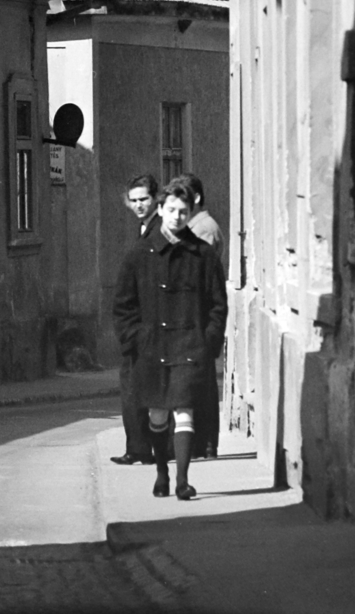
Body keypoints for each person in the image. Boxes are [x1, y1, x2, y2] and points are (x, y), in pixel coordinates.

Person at [113, 177, 227, 501]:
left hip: (189, 345)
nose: (178, 216)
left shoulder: (203, 255)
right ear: (161, 209)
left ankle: (182, 480)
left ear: (191, 212)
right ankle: (162, 473)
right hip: (152, 347)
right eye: (172, 210)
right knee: (158, 415)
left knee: (184, 411)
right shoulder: (139, 254)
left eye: (184, 211)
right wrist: (134, 341)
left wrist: (208, 343)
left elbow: (217, 305)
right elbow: (123, 305)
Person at [109, 174, 160, 466]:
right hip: (138, 326)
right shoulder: (145, 228)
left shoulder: (157, 231)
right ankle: (140, 447)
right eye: (134, 201)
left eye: (144, 199)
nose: (139, 205)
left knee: (137, 389)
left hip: (144, 327)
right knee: (135, 389)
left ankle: (142, 448)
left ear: (155, 199)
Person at [178, 172, 223, 458]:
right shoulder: (194, 226)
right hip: (194, 319)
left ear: (195, 199)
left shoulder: (203, 228)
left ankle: (205, 443)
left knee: (203, 386)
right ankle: (200, 443)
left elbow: (195, 276)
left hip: (200, 319)